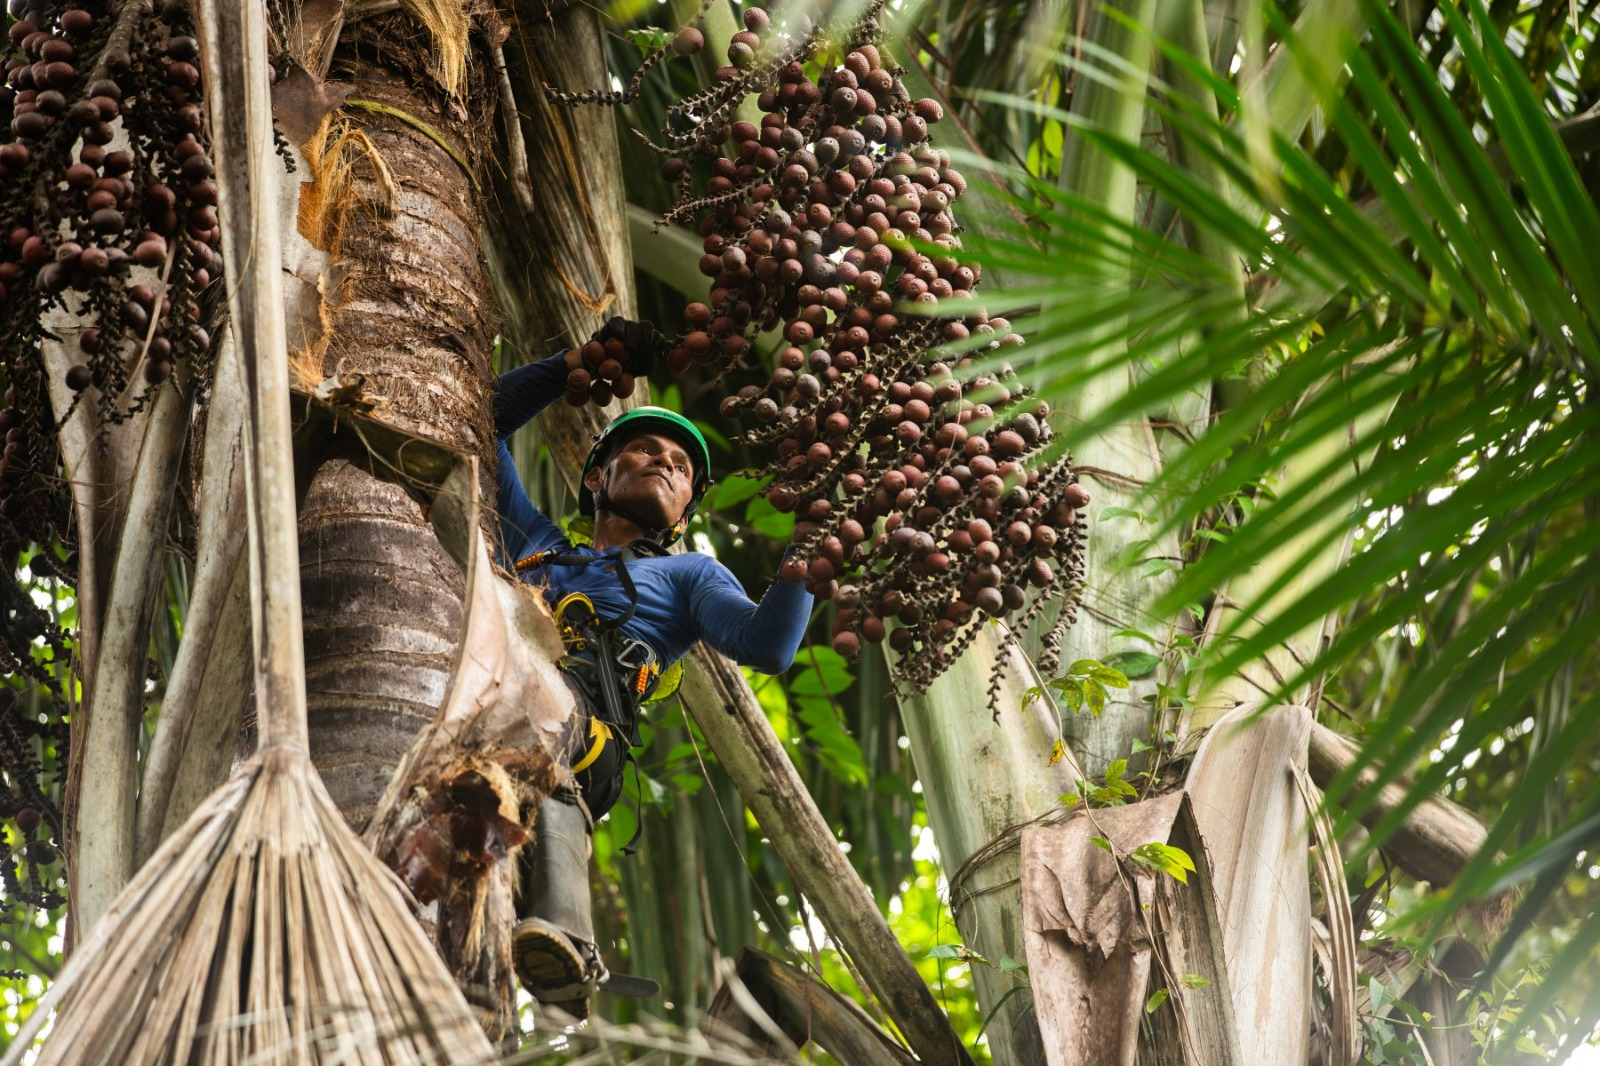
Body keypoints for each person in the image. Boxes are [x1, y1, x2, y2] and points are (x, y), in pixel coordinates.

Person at [493, 318, 812, 1018]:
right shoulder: (538, 545)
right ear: (596, 476)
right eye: (644, 449)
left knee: (542, 705)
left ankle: (567, 938)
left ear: (685, 506)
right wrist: (574, 361)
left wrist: (814, 542)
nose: (667, 462)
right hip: (490, 710)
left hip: (583, 739)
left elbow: (770, 646)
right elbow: (476, 422)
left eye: (682, 465)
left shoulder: (690, 576)